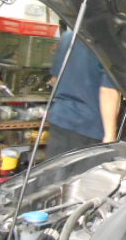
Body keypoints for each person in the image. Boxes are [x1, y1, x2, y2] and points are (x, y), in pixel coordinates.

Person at [46, 30, 121, 158]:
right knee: (84, 171)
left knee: (56, 168)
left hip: (60, 119)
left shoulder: (68, 36)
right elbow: (108, 91)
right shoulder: (108, 42)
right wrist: (110, 136)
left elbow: (55, 79)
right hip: (88, 127)